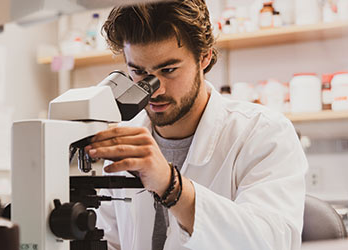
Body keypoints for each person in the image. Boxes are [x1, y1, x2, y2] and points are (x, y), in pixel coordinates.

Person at [85, 0, 308, 249]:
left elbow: (272, 242)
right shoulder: (124, 141)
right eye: (138, 72)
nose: (153, 90)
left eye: (168, 70)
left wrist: (172, 187)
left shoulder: (264, 134)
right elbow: (111, 240)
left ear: (204, 57)